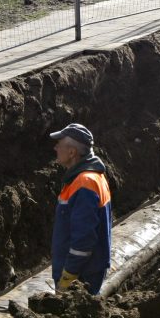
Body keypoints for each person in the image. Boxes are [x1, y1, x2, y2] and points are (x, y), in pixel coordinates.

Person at [49, 123, 112, 295]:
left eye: (59, 144)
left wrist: (68, 277)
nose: (55, 147)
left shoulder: (84, 183)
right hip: (86, 271)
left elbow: (83, 239)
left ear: (72, 152)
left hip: (81, 276)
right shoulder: (90, 177)